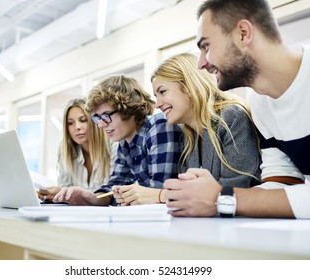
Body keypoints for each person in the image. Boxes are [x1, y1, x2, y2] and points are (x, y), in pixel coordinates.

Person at [164, 0, 310, 219]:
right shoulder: (261, 102)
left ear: (243, 33)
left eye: (206, 46)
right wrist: (204, 196)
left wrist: (222, 198)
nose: (201, 64)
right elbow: (283, 183)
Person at [53, 75, 183, 206]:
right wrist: (88, 197)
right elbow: (114, 189)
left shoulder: (158, 126)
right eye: (97, 118)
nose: (101, 125)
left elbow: (158, 194)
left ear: (128, 108)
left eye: (106, 116)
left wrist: (129, 197)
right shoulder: (124, 143)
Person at [151, 52, 261, 191]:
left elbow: (235, 188)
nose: (157, 104)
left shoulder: (231, 117)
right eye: (156, 96)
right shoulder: (190, 136)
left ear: (189, 86)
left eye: (162, 92)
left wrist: (161, 195)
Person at [38, 98, 117, 201]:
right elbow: (65, 186)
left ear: (95, 121)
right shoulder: (66, 151)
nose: (77, 127)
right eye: (70, 123)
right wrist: (59, 193)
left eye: (83, 120)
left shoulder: (114, 147)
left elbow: (113, 194)